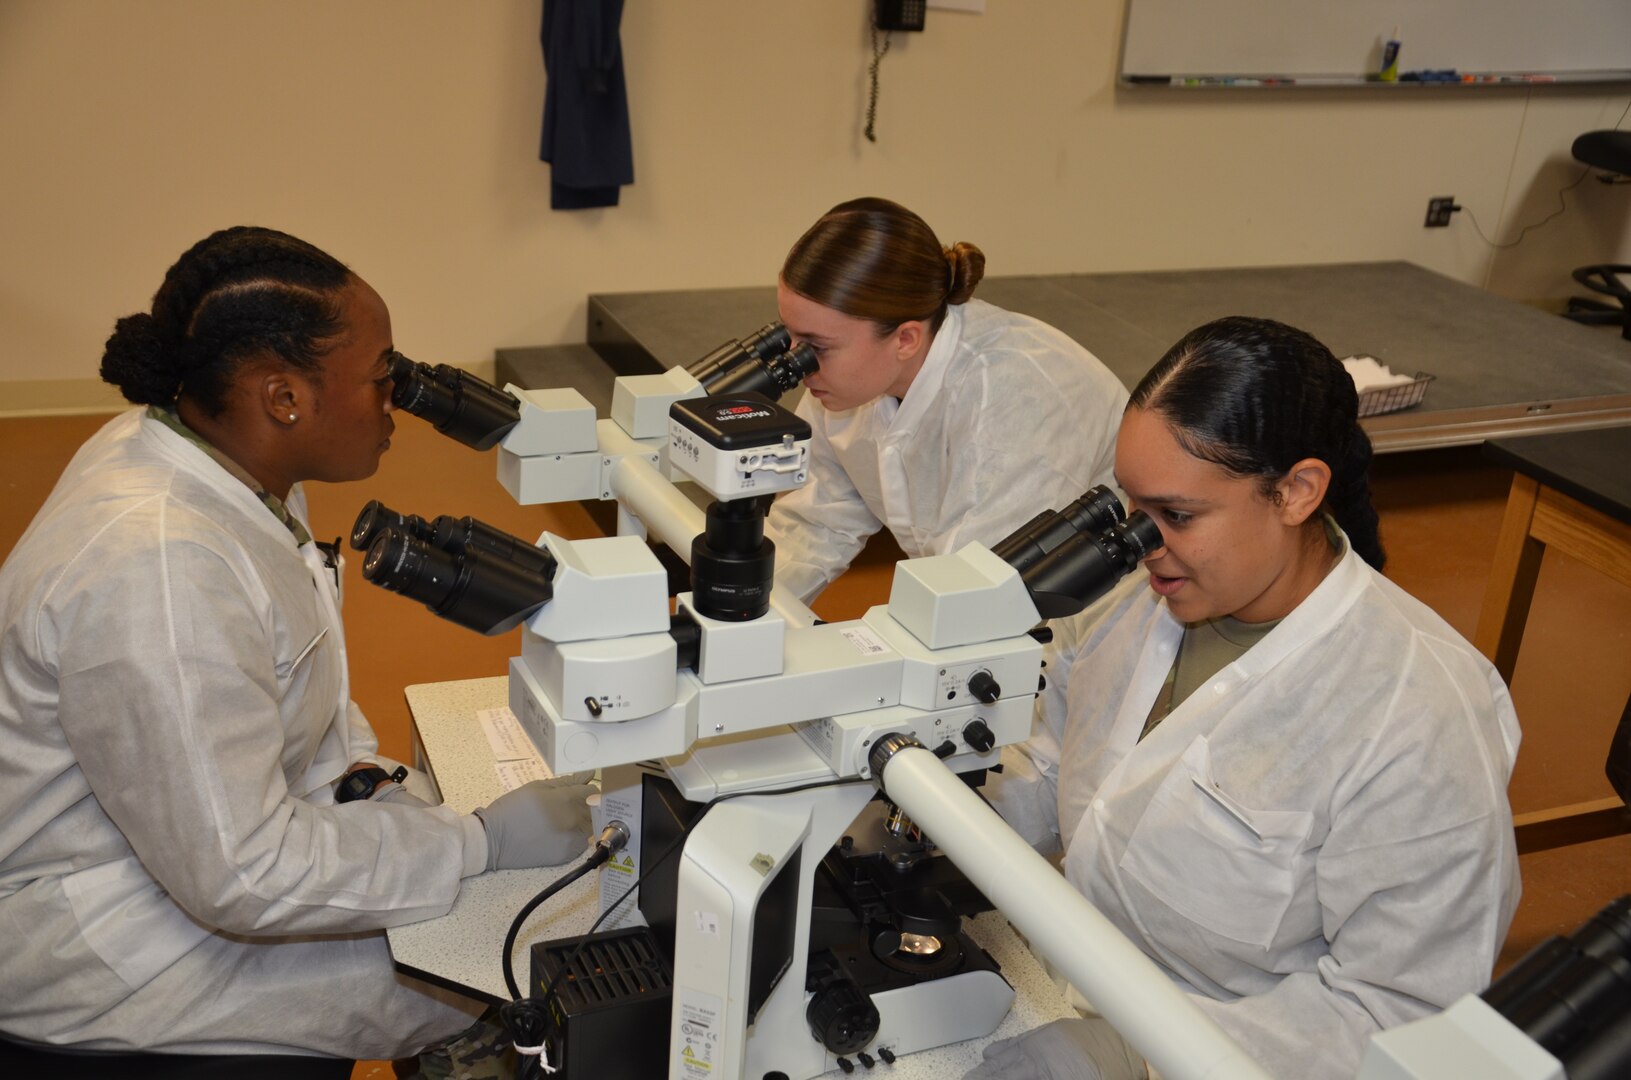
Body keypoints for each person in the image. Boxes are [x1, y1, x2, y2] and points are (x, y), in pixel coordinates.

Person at [0, 227, 594, 1067]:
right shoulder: (161, 569)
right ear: (284, 398)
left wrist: (372, 785)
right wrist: (476, 843)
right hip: (113, 949)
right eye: (384, 375)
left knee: (472, 916)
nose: (400, 396)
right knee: (509, 975)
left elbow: (295, 677)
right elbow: (244, 876)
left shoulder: (220, 464)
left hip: (176, 855)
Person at [975, 317, 1521, 1080]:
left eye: (1177, 516)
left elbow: (1401, 1012)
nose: (1141, 542)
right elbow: (1053, 761)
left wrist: (1141, 1052)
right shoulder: (1131, 605)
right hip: (1066, 975)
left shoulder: (1418, 713)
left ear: (1296, 492)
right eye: (1131, 506)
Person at [764, 197, 1128, 604]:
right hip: (978, 615)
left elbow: (975, 592)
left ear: (905, 338)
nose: (797, 363)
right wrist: (744, 618)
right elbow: (813, 529)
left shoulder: (1011, 398)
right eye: (791, 336)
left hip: (1084, 626)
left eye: (816, 346)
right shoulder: (847, 385)